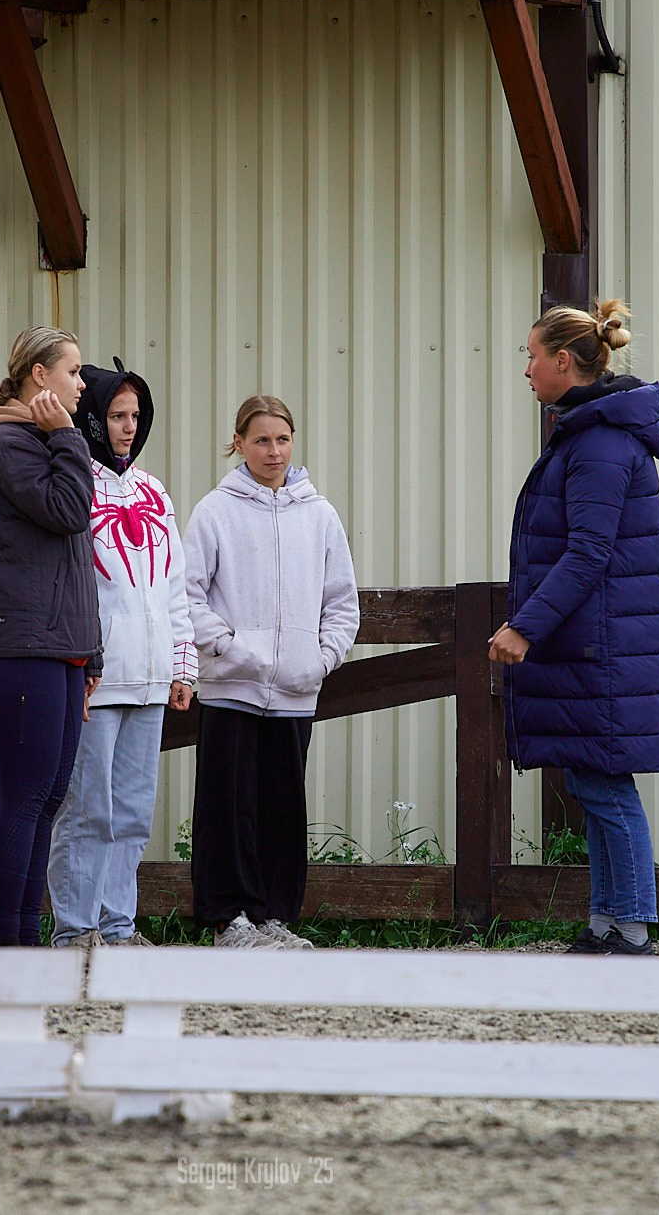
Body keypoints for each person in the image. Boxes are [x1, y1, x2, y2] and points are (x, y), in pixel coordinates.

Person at [489, 300, 659, 956]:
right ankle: (607, 921)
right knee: (591, 777)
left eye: (531, 355)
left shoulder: (598, 440)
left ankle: (632, 927)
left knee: (605, 785)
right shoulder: (590, 432)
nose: (527, 369)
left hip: (601, 644)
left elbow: (589, 552)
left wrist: (525, 626)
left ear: (564, 361)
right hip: (598, 640)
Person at [183, 395, 359, 950]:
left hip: (294, 693)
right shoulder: (215, 510)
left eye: (282, 439)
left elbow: (342, 603)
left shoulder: (320, 515)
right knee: (226, 807)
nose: (273, 451)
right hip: (230, 686)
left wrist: (320, 659)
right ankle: (226, 919)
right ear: (238, 443)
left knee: (283, 806)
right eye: (260, 440)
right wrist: (232, 649)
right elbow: (186, 594)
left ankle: (274, 918)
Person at [45, 358, 197, 948]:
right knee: (88, 812)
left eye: (136, 416)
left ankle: (118, 924)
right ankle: (76, 929)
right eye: (115, 415)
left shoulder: (154, 491)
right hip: (96, 680)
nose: (128, 427)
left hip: (152, 678)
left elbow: (175, 588)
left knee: (132, 814)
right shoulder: (73, 485)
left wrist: (182, 666)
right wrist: (80, 664)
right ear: (90, 417)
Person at [0, 325, 100, 947]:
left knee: (47, 798)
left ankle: (24, 942)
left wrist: (90, 653)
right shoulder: (9, 445)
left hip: (59, 647)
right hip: (19, 647)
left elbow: (74, 559)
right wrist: (69, 440)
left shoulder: (41, 442)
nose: (81, 384)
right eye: (72, 371)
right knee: (23, 797)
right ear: (39, 375)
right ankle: (1, 947)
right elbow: (71, 511)